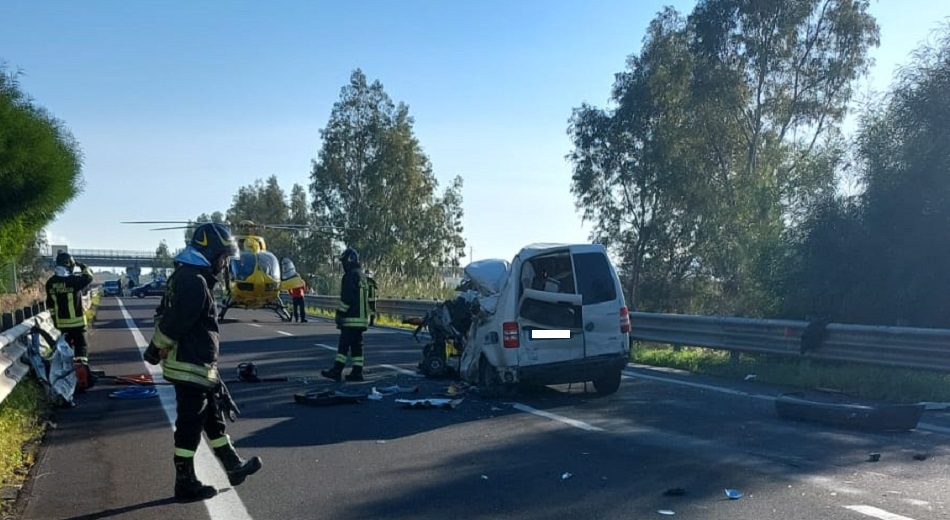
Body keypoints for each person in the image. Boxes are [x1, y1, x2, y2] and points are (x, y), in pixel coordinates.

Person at [143, 222, 262, 501]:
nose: (224, 264)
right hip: (189, 365)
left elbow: (166, 315)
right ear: (209, 254)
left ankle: (233, 466)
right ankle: (185, 483)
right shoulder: (194, 282)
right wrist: (155, 348)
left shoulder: (187, 277)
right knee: (190, 425)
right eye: (222, 257)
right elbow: (174, 321)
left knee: (212, 419)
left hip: (198, 365)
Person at [321, 247, 370, 382]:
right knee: (357, 347)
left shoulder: (349, 276)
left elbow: (347, 298)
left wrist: (340, 314)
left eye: (344, 262)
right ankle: (357, 372)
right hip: (362, 320)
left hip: (351, 319)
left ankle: (337, 371)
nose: (343, 265)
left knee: (344, 346)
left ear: (349, 261)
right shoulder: (362, 276)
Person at [45, 252, 94, 364]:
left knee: (65, 349)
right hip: (77, 324)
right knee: (81, 346)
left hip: (62, 324)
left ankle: (68, 370)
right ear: (69, 265)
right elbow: (89, 277)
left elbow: (50, 305)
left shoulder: (50, 283)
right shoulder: (74, 280)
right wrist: (83, 266)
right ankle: (81, 368)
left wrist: (55, 321)